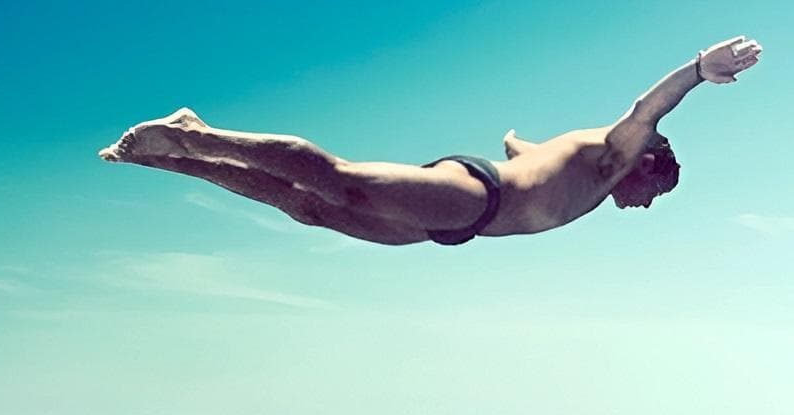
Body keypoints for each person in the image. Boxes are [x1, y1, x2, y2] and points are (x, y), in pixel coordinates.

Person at [99, 36, 762, 246]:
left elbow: (527, 153)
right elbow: (649, 107)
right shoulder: (617, 155)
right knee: (341, 177)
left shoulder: (588, 171)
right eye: (655, 191)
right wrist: (701, 71)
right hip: (473, 197)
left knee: (309, 208)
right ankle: (201, 135)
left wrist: (513, 140)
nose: (645, 203)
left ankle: (178, 163)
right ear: (646, 163)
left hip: (452, 229)